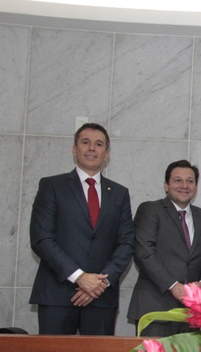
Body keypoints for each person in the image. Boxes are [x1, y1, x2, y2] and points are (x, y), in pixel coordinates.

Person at [29, 123, 134, 335]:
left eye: (99, 144)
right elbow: (42, 239)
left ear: (107, 154)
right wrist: (79, 277)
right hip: (57, 295)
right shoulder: (52, 186)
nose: (92, 148)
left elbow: (126, 243)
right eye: (85, 142)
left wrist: (99, 283)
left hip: (101, 298)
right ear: (74, 149)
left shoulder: (119, 193)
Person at [128, 160, 201, 336]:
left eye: (190, 181)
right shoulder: (150, 209)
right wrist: (173, 286)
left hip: (191, 312)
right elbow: (144, 253)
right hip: (155, 309)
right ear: (166, 186)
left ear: (195, 187)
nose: (184, 185)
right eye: (177, 180)